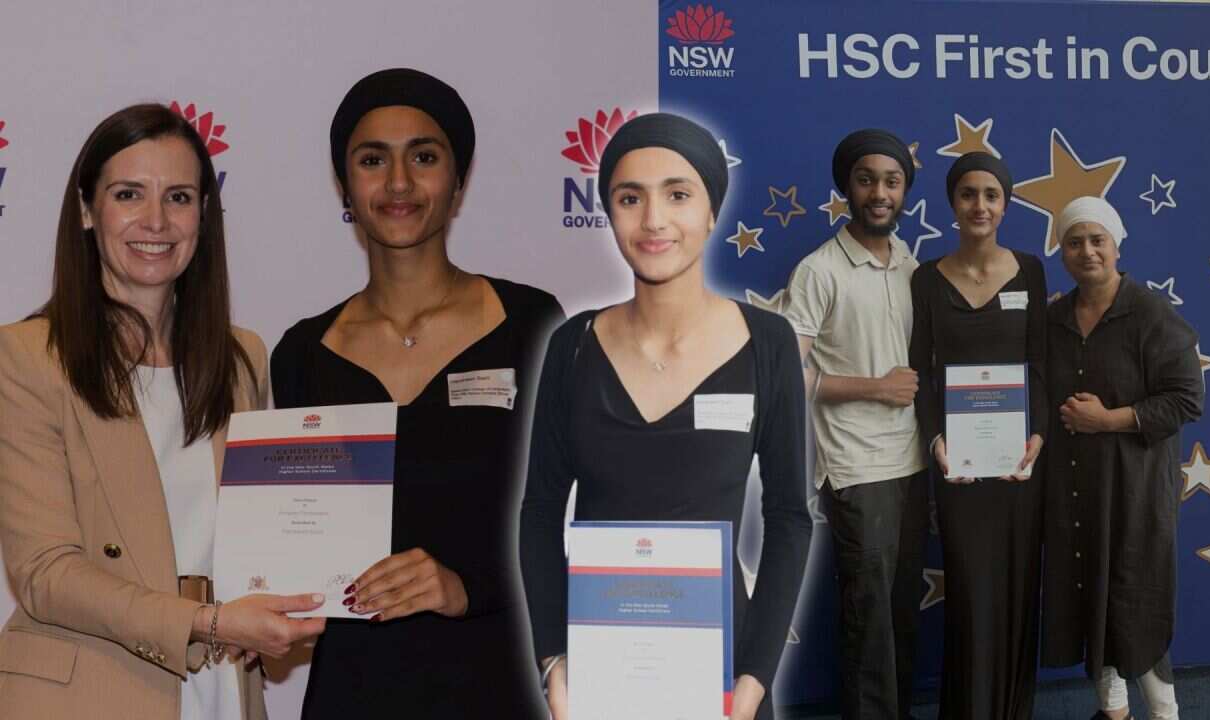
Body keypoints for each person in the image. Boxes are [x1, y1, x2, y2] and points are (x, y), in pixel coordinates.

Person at [0, 103, 326, 720]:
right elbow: (45, 572)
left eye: (178, 197)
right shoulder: (26, 358)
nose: (156, 220)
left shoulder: (242, 358)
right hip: (90, 694)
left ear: (204, 213)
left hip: (222, 689)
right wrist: (206, 622)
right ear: (87, 210)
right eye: (129, 194)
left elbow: (255, 536)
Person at [270, 68, 564, 718]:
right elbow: (294, 540)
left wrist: (467, 586)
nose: (398, 183)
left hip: (496, 683)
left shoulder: (533, 325)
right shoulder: (300, 353)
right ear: (344, 181)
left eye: (424, 157)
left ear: (458, 180)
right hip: (354, 690)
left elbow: (573, 518)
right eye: (372, 159)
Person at [520, 112, 812, 720]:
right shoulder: (572, 345)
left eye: (678, 194)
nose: (653, 220)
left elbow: (788, 516)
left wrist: (754, 678)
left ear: (711, 211)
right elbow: (541, 512)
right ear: (609, 213)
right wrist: (554, 660)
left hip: (725, 681)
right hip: (600, 674)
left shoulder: (768, 342)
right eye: (631, 198)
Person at [782, 128, 926, 720]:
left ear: (905, 192)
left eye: (892, 181)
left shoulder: (912, 265)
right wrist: (876, 387)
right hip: (856, 466)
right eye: (867, 180)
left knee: (898, 611)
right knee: (868, 615)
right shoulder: (819, 270)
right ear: (847, 188)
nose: (879, 192)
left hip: (915, 460)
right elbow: (791, 376)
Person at [1041, 197, 1202, 720]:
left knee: (1136, 601)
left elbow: (1186, 399)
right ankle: (1112, 711)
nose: (1086, 251)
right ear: (1060, 251)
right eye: (1074, 242)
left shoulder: (1151, 314)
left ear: (1116, 245)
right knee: (1092, 594)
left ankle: (1163, 713)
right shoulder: (1053, 319)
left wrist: (1108, 420)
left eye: (1097, 240)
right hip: (1074, 491)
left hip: (1135, 491)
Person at [908, 151, 1047, 719]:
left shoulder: (1032, 271)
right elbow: (919, 372)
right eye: (969, 194)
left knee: (1016, 587)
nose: (980, 206)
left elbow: (1039, 364)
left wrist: (1038, 435)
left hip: (1018, 465)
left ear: (1006, 204)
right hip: (958, 467)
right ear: (953, 204)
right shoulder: (925, 279)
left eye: (991, 195)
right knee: (969, 589)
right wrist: (934, 438)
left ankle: (1012, 709)